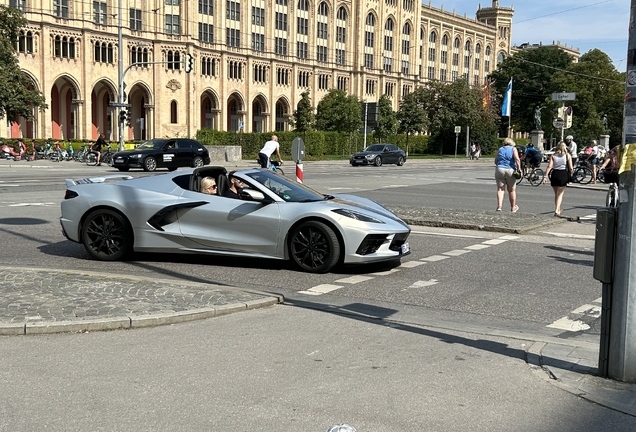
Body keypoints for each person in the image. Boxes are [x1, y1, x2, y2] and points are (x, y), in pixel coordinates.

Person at [543, 141, 573, 216]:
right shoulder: (567, 155)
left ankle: (558, 209)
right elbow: (571, 168)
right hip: (563, 174)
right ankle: (557, 210)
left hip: (555, 174)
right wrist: (571, 174)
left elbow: (549, 166)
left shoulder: (553, 155)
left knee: (556, 194)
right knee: (560, 194)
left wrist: (545, 176)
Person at [494, 137, 521, 212]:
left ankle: (499, 206)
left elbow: (496, 161)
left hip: (500, 169)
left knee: (500, 189)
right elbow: (517, 159)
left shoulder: (500, 149)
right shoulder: (513, 149)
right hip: (510, 170)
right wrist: (519, 169)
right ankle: (513, 207)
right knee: (511, 190)